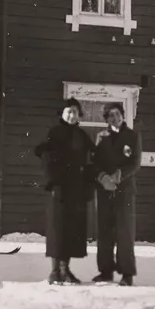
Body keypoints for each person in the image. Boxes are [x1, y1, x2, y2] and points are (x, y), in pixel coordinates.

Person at [33, 98, 94, 285]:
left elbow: (91, 159)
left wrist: (88, 185)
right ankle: (54, 271)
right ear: (62, 114)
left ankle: (65, 269)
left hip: (76, 189)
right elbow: (46, 158)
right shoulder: (54, 133)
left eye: (75, 111)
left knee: (71, 230)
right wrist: (52, 183)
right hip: (58, 188)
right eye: (68, 111)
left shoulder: (82, 136)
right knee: (57, 229)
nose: (72, 115)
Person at [92, 103, 141, 286]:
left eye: (118, 114)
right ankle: (105, 271)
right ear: (106, 119)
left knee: (124, 232)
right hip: (105, 190)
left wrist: (118, 175)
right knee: (104, 231)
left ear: (123, 115)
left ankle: (127, 274)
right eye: (110, 115)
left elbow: (135, 163)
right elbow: (95, 162)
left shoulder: (132, 136)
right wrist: (103, 177)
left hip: (124, 190)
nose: (115, 118)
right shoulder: (101, 137)